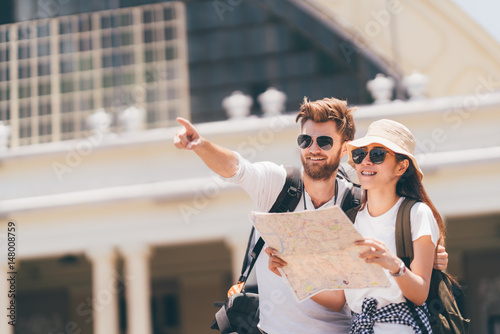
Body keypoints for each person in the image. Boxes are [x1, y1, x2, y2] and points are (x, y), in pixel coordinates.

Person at [174, 98, 448, 334]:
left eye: (324, 141)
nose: (313, 149)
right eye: (305, 140)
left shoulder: (356, 204)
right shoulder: (277, 185)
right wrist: (200, 145)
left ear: (343, 149)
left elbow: (386, 253)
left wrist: (427, 256)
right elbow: (236, 167)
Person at [269, 119, 444, 333]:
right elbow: (338, 299)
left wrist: (394, 265)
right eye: (360, 155)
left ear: (401, 166)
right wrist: (290, 269)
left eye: (377, 155)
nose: (365, 162)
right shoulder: (349, 219)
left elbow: (419, 294)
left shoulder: (417, 214)